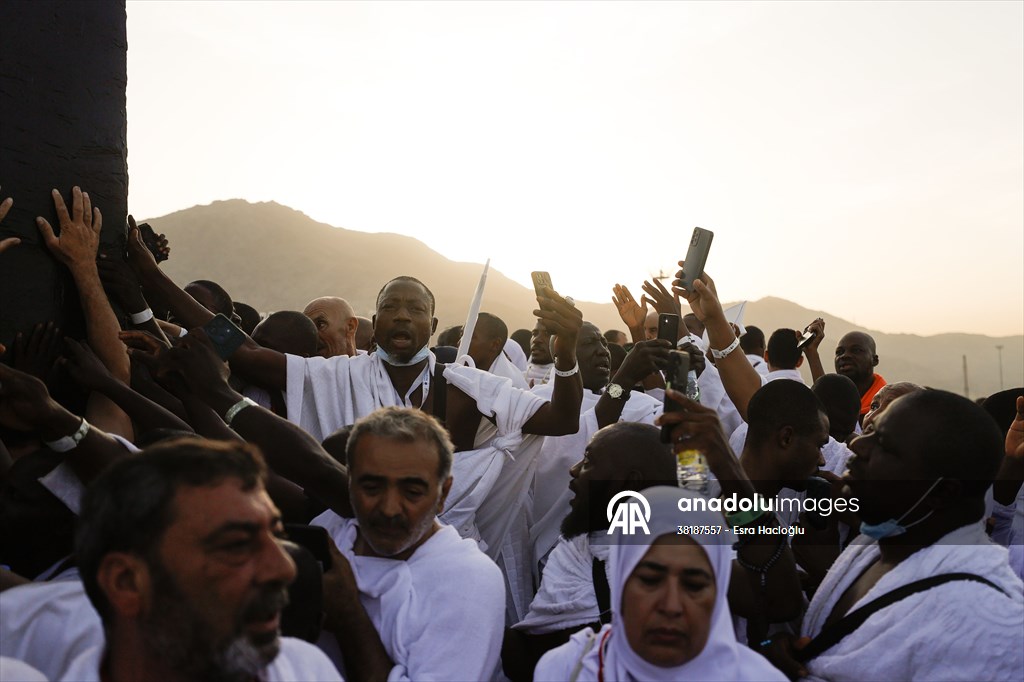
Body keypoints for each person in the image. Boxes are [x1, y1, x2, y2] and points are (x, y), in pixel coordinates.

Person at [765, 390, 1024, 681]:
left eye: (884, 445)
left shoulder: (987, 624)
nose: (857, 444)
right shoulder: (875, 544)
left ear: (941, 492)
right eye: (870, 430)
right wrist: (787, 651)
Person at [68, 439, 341, 681]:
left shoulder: (304, 668)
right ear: (126, 582)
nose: (284, 568)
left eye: (278, 536)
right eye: (236, 545)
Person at [313, 407, 504, 681]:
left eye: (412, 492)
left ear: (443, 494)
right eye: (372, 488)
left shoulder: (469, 580)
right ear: (350, 483)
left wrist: (348, 616)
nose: (390, 509)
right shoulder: (327, 533)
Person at [534, 486, 786, 681]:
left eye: (694, 585)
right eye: (650, 580)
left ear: (719, 591)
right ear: (620, 580)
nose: (671, 605)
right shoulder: (566, 669)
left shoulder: (758, 677)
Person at [507, 423, 676, 680]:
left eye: (588, 462)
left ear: (629, 483)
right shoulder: (576, 549)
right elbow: (537, 651)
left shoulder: (688, 557)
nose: (573, 470)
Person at [833, 331, 886, 418]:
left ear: (874, 360)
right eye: (839, 352)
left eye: (856, 350)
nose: (845, 355)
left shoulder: (886, 405)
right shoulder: (835, 396)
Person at [525, 321, 555, 387]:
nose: (536, 340)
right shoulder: (515, 378)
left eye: (547, 334)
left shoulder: (566, 382)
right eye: (534, 334)